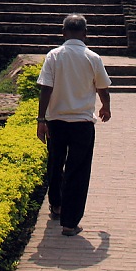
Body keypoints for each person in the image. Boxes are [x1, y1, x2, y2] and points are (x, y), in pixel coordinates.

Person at [36, 13, 111, 236]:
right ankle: (70, 222)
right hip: (82, 123)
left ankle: (56, 205)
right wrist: (106, 107)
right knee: (78, 170)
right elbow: (103, 88)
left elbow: (45, 88)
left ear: (63, 33)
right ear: (85, 34)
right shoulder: (93, 57)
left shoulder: (54, 56)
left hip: (56, 121)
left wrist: (41, 119)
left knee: (55, 163)